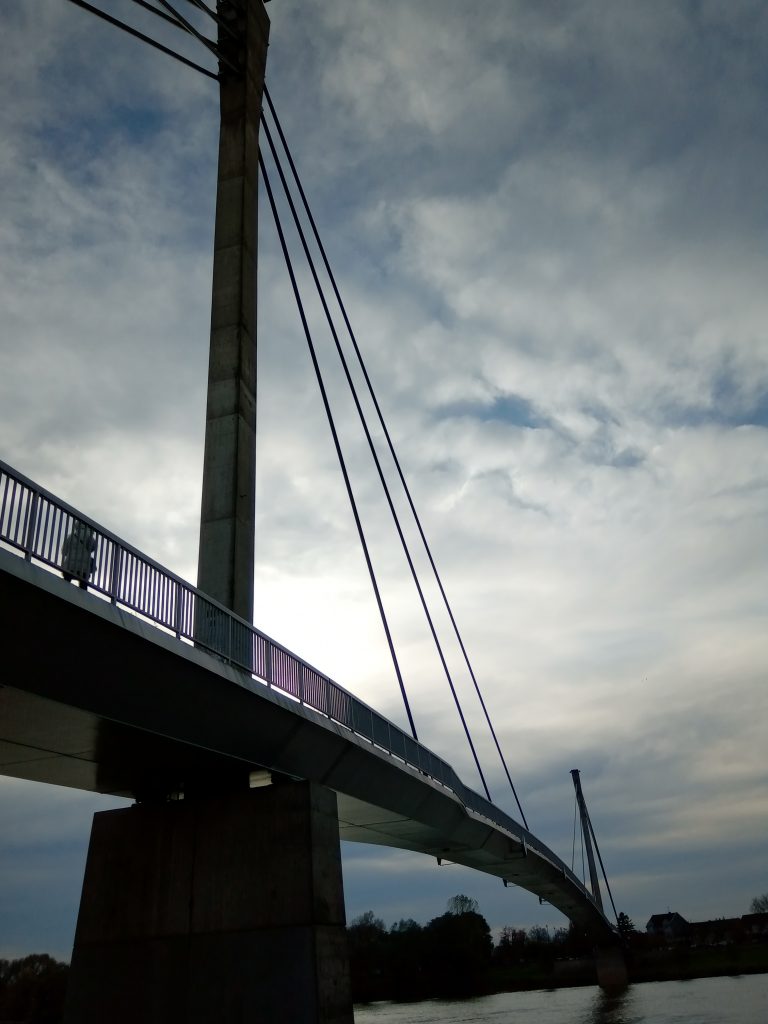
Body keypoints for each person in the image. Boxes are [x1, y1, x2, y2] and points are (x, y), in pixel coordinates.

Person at [62, 521, 96, 590]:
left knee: (66, 583)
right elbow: (92, 548)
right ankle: (82, 599)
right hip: (84, 569)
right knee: (83, 586)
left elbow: (64, 552)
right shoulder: (91, 538)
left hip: (69, 566)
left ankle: (63, 592)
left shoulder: (71, 536)